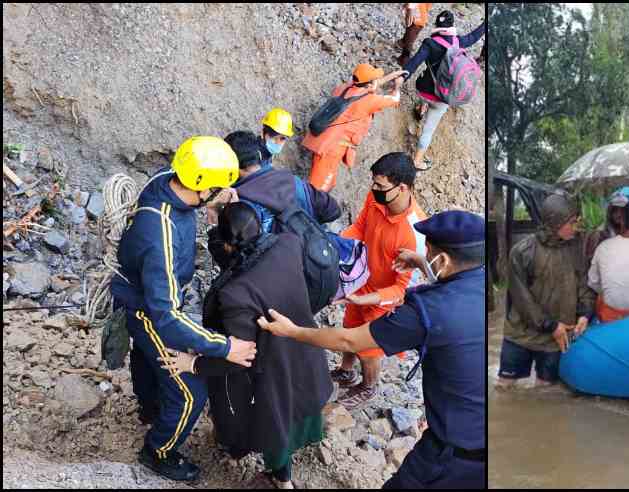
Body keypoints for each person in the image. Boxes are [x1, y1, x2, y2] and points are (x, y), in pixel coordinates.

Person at [257, 210, 486, 488]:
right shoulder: (481, 281)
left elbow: (349, 341)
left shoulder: (425, 313)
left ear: (445, 260)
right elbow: (453, 283)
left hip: (452, 455)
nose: (425, 254)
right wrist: (423, 264)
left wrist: (292, 331)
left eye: (428, 251)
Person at [109, 136, 257, 481]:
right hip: (147, 309)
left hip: (138, 292)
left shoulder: (167, 181)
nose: (226, 193)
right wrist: (225, 346)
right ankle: (158, 451)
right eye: (222, 188)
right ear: (204, 188)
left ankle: (150, 406)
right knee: (190, 393)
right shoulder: (161, 236)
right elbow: (167, 316)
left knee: (146, 357)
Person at [158, 203, 331, 489]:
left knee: (275, 428)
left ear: (226, 247)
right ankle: (281, 475)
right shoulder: (288, 244)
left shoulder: (235, 294)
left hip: (275, 373)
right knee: (297, 416)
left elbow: (241, 354)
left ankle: (279, 479)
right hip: (306, 353)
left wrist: (194, 363)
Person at [333, 153, 427, 409]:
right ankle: (346, 371)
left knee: (368, 346)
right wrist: (337, 244)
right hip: (361, 279)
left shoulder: (416, 233)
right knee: (350, 327)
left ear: (403, 187)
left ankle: (369, 385)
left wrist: (368, 298)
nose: (374, 189)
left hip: (384, 297)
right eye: (374, 183)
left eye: (381, 186)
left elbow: (401, 289)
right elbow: (361, 226)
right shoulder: (376, 198)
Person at [498, 194, 595, 387]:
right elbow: (522, 299)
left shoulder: (576, 248)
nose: (575, 228)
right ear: (555, 222)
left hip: (556, 339)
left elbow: (584, 284)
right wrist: (551, 326)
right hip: (521, 335)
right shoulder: (522, 251)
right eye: (572, 222)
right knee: (504, 387)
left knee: (546, 392)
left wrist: (585, 314)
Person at [301, 64, 408, 192]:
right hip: (332, 150)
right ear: (369, 85)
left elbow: (369, 84)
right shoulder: (369, 101)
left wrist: (391, 76)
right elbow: (395, 99)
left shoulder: (345, 88)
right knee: (317, 190)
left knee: (326, 183)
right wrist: (397, 85)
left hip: (323, 141)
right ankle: (305, 209)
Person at [401, 10, 485, 170]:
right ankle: (417, 161)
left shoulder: (429, 44)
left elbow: (414, 63)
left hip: (424, 90)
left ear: (436, 25)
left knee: (423, 93)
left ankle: (421, 106)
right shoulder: (458, 42)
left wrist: (401, 77)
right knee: (428, 130)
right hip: (443, 98)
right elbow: (474, 37)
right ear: (452, 25)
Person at [583, 191, 627, 260]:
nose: (619, 214)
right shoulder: (601, 232)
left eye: (622, 210)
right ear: (610, 211)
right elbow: (590, 256)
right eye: (615, 210)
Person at [396, 3, 433, 67]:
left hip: (417, 20)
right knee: (409, 34)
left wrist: (408, 10)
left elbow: (411, 7)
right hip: (420, 19)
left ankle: (404, 60)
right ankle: (402, 43)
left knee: (409, 40)